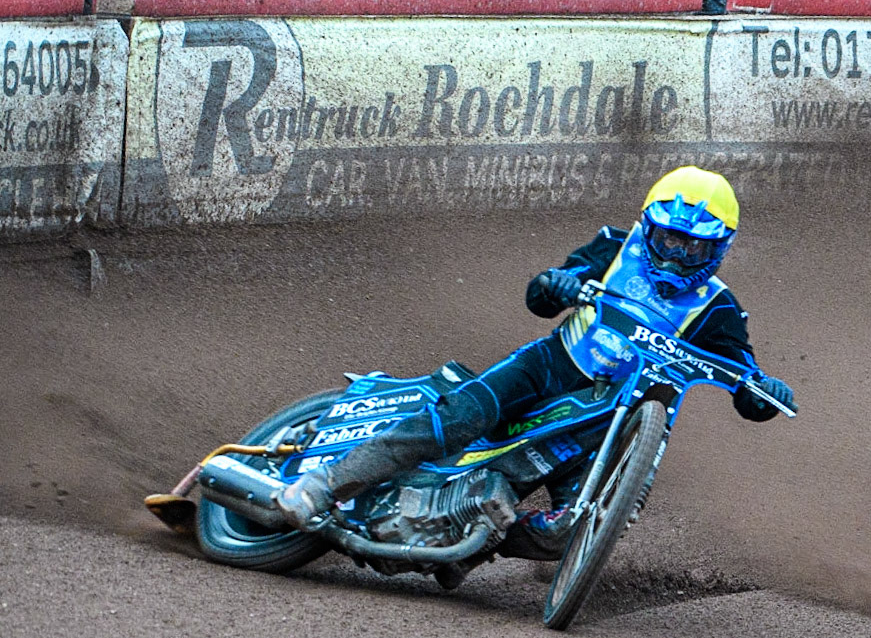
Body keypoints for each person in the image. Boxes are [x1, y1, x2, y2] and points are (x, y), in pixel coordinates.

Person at [275, 166, 794, 555]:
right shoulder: (613, 247)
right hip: (548, 368)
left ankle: (475, 533)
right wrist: (556, 284)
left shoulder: (720, 308)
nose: (676, 255)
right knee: (460, 416)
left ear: (719, 249)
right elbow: (539, 299)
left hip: (611, 424)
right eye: (668, 239)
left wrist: (767, 393)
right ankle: (324, 485)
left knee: (573, 535)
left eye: (693, 248)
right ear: (648, 228)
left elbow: (745, 383)